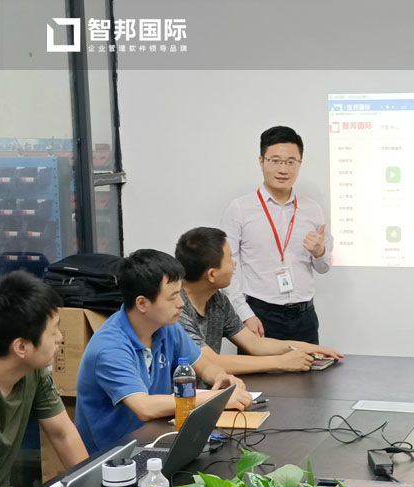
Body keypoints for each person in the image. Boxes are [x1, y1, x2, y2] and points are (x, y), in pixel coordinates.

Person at [75, 250, 252, 453]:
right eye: (173, 297)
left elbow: (204, 366)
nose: (181, 304)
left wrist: (221, 378)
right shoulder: (110, 347)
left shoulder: (167, 327)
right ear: (142, 303)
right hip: (115, 456)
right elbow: (144, 407)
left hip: (155, 439)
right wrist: (216, 399)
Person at [174, 227, 342, 376]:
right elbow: (210, 362)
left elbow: (255, 344)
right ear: (212, 274)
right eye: (229, 259)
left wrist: (309, 348)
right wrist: (281, 362)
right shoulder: (176, 308)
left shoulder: (218, 300)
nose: (234, 265)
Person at [220, 125, 332, 344]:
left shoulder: (312, 209)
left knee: (310, 368)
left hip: (305, 317)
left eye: (291, 162)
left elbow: (323, 267)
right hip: (259, 315)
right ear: (261, 161)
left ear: (300, 163)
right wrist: (244, 314)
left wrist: (320, 252)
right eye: (275, 161)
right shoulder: (240, 208)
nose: (283, 169)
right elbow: (226, 266)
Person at [0, 271, 88, 487]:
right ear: (21, 346)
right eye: (53, 331)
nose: (60, 338)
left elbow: (62, 433)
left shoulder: (34, 371)